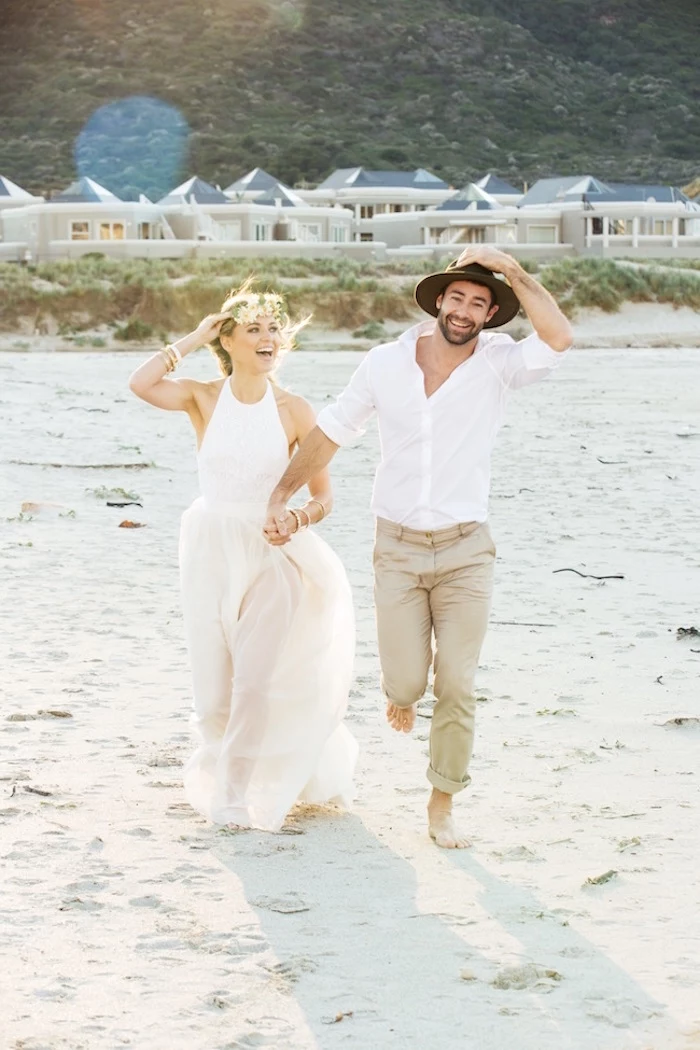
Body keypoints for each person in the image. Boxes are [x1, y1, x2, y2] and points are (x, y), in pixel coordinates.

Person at [264, 247, 573, 849]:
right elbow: (330, 432)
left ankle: (442, 800)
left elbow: (558, 337)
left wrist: (509, 267)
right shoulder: (384, 363)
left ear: (489, 316)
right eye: (456, 298)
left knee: (457, 682)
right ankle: (400, 694)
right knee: (406, 683)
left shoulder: (500, 364)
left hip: (466, 550)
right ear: (438, 302)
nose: (464, 310)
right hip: (398, 549)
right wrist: (281, 494)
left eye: (479, 304)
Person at [128, 281, 358, 832]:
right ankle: (237, 770)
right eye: (252, 329)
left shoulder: (296, 410)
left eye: (273, 329)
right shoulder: (203, 397)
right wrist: (194, 336)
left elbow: (324, 496)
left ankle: (232, 796)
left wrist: (295, 517)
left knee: (254, 682)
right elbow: (141, 383)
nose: (267, 337)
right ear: (227, 340)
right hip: (209, 546)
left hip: (274, 553)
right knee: (212, 694)